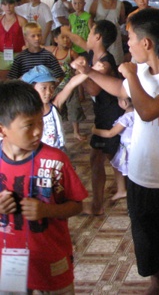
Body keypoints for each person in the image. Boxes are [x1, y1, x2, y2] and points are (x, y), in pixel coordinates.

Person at [71, 7, 159, 294]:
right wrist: (89, 72)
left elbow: (147, 110)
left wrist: (131, 74)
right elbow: (121, 91)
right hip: (141, 177)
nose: (127, 44)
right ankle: (158, 285)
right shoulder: (141, 71)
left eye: (130, 38)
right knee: (147, 240)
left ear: (147, 43)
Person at [0, 80, 88, 293]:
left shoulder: (56, 160)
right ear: (2, 130)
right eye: (28, 125)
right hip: (8, 264)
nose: (38, 131)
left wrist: (47, 210)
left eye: (40, 121)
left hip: (52, 258)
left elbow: (77, 205)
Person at [64, 21, 125, 215]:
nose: (87, 37)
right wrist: (66, 31)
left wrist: (81, 74)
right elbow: (79, 41)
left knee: (96, 157)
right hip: (102, 111)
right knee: (112, 154)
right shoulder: (92, 55)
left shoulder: (105, 62)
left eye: (90, 33)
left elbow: (94, 89)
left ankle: (97, 206)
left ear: (98, 37)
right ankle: (122, 189)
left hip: (110, 113)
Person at [92, 97, 134, 201]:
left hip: (128, 150)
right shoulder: (138, 112)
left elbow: (110, 133)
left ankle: (132, 193)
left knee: (129, 171)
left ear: (124, 102)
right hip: (136, 147)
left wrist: (94, 130)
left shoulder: (127, 117)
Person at [51, 26, 86, 141]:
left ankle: (76, 131)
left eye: (67, 37)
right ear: (55, 39)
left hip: (71, 85)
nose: (66, 40)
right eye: (63, 37)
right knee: (58, 108)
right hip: (56, 86)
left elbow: (79, 72)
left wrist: (81, 91)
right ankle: (58, 128)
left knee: (74, 107)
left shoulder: (72, 53)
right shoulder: (52, 52)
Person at [89, 0, 126, 65]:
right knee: (99, 60)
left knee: (116, 60)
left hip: (114, 35)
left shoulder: (120, 4)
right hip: (100, 35)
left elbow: (121, 20)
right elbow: (90, 18)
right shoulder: (97, 2)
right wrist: (93, 32)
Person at [0, 0, 27, 80]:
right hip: (1, 55)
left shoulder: (22, 20)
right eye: (4, 4)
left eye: (10, 4)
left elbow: (27, 40)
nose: (7, 7)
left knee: (17, 81)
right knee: (3, 82)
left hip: (18, 55)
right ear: (1, 6)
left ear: (14, 4)